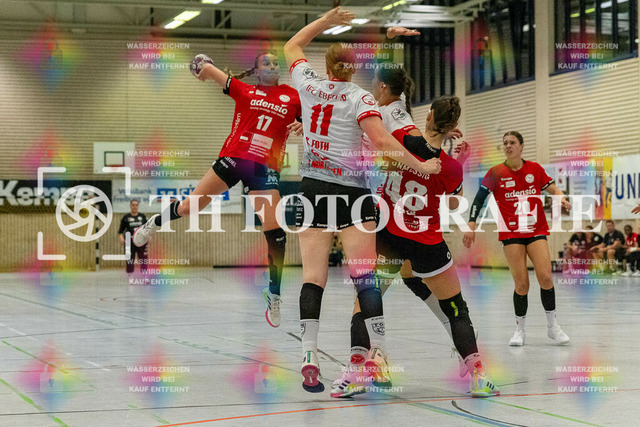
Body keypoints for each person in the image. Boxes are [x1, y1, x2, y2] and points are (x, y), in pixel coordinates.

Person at [283, 7, 442, 393]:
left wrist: (326, 21)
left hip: (313, 190)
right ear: (354, 70)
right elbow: (383, 141)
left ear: (326, 66)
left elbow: (292, 45)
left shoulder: (307, 84)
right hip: (353, 194)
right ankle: (378, 354)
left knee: (312, 279)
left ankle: (308, 355)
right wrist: (423, 165)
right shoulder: (361, 97)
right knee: (364, 278)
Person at [133, 48, 303, 327]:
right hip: (234, 158)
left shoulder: (293, 96)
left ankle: (274, 294)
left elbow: (315, 122)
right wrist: (201, 68)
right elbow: (206, 67)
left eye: (275, 63)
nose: (272, 66)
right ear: (257, 70)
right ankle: (153, 223)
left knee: (276, 233)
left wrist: (303, 127)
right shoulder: (245, 90)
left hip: (265, 167)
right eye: (266, 63)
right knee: (189, 207)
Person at [463, 131, 571, 347]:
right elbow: (479, 199)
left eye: (512, 142)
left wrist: (561, 198)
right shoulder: (495, 173)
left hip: (535, 230)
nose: (508, 146)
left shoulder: (535, 169)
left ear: (521, 146)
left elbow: (553, 189)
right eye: (505, 143)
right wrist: (472, 224)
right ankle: (520, 330)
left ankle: (553, 327)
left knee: (545, 277)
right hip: (511, 233)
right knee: (521, 284)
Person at [118, 199, 148, 274]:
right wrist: (122, 239)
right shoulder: (126, 217)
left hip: (141, 241)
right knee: (129, 259)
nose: (135, 207)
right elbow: (121, 231)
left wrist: (148, 238)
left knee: (143, 259)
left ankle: (144, 275)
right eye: (133, 205)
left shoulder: (142, 217)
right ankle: (130, 275)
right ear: (130, 206)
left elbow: (147, 229)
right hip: (130, 241)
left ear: (138, 206)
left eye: (136, 205)